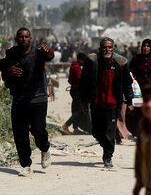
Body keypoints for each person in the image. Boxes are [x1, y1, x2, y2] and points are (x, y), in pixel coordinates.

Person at [0, 28, 54, 176]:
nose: (23, 39)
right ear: (16, 40)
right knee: (20, 133)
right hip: (19, 99)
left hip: (38, 98)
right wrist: (9, 73)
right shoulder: (11, 54)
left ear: (31, 39)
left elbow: (50, 55)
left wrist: (49, 50)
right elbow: (4, 75)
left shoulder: (39, 52)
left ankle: (45, 148)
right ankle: (26, 165)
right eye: (20, 37)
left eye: (26, 37)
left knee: (38, 129)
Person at [79, 37, 133, 168]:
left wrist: (129, 101)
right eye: (104, 47)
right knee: (97, 132)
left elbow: (127, 83)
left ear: (113, 49)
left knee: (109, 132)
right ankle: (107, 146)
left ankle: (108, 156)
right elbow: (84, 82)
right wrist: (83, 100)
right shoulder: (92, 61)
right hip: (96, 102)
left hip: (113, 104)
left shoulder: (121, 62)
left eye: (109, 47)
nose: (107, 50)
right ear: (99, 49)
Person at [62, 52, 90, 134]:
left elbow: (70, 80)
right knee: (79, 110)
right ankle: (66, 125)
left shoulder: (73, 66)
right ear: (80, 60)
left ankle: (76, 128)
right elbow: (80, 78)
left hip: (74, 89)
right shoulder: (77, 67)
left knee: (75, 109)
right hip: (77, 91)